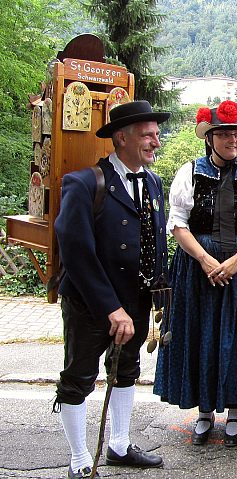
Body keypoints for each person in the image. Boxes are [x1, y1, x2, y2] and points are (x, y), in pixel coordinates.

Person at [53, 100, 170, 479]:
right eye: (147, 134)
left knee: (126, 370)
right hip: (91, 303)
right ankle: (79, 460)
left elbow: (154, 242)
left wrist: (159, 293)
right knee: (79, 377)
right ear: (122, 138)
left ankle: (118, 446)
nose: (156, 141)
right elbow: (76, 253)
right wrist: (109, 308)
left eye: (156, 133)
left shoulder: (152, 182)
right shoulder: (85, 183)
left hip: (134, 299)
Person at [153, 100, 237, 447]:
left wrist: (235, 261)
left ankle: (235, 410)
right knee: (201, 333)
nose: (232, 140)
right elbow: (177, 223)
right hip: (197, 271)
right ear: (210, 137)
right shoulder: (189, 172)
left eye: (236, 133)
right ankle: (205, 411)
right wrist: (206, 260)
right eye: (224, 134)